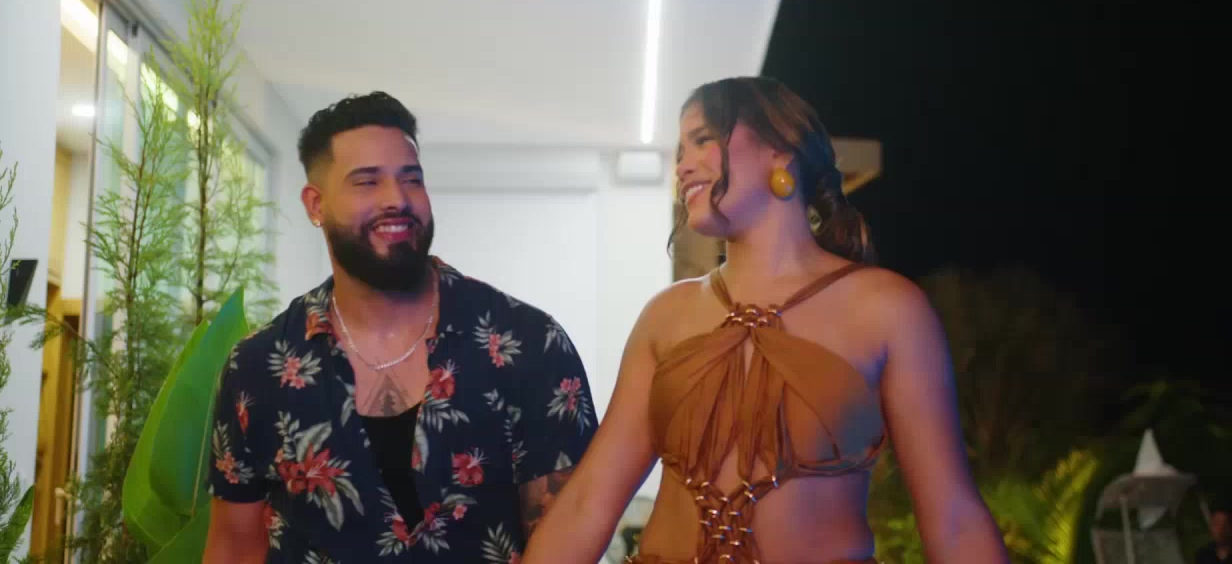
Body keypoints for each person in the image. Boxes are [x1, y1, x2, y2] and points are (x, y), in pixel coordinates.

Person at [522, 76, 1008, 563]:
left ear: (781, 149)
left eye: (703, 139)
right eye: (680, 150)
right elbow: (588, 501)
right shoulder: (665, 316)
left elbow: (953, 519)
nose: (682, 164)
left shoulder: (887, 309)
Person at [202, 92, 598, 562]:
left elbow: (568, 530)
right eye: (367, 181)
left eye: (411, 179)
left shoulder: (529, 345)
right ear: (316, 204)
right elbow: (234, 545)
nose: (397, 199)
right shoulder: (258, 367)